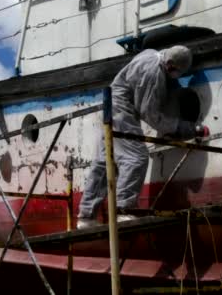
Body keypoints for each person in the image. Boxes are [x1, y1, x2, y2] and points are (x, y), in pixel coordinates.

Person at [77, 45, 210, 229]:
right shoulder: (153, 74)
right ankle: (124, 210)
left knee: (105, 162)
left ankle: (86, 216)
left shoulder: (151, 54)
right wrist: (189, 129)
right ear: (170, 65)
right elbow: (152, 116)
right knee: (136, 158)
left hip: (111, 106)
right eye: (176, 73)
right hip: (122, 111)